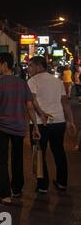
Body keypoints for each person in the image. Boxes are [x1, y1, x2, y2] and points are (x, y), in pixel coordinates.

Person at [0, 53, 41, 205]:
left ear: (4, 64)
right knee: (17, 158)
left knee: (1, 161)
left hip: (0, 127)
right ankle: (16, 189)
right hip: (18, 127)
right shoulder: (22, 83)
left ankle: (5, 195)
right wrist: (35, 127)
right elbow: (29, 107)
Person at [28, 56, 77, 192]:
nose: (29, 69)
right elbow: (65, 103)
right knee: (59, 151)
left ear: (38, 66)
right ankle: (62, 183)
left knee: (39, 153)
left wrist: (41, 113)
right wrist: (70, 121)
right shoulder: (57, 82)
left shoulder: (32, 81)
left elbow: (31, 101)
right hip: (58, 121)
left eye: (30, 65)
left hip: (40, 122)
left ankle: (43, 185)